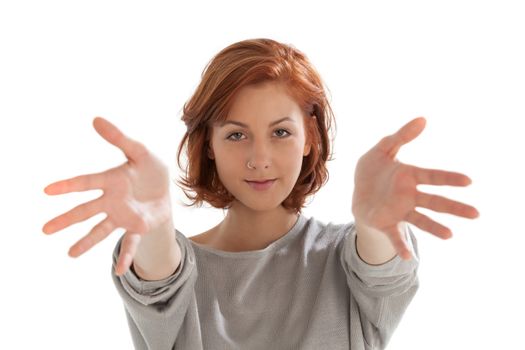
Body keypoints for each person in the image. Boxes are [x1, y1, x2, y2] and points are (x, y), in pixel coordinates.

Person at [42, 38, 479, 349]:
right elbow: (160, 280)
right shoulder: (177, 266)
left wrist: (374, 222)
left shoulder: (345, 257)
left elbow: (381, 269)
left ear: (309, 137)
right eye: (236, 135)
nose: (259, 158)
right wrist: (156, 225)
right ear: (208, 145)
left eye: (281, 133)